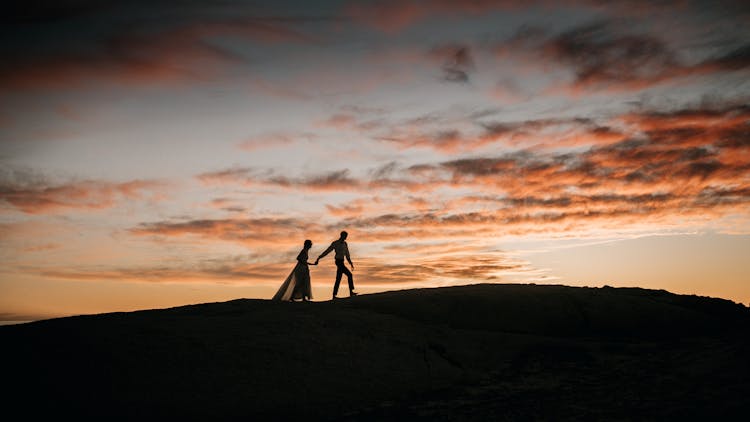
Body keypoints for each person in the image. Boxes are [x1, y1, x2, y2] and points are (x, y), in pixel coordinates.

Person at [315, 231, 356, 299]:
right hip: (338, 262)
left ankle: (334, 295)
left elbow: (347, 254)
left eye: (346, 236)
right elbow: (327, 251)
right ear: (342, 235)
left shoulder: (345, 244)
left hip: (342, 262)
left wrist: (350, 263)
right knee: (349, 275)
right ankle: (351, 292)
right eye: (345, 236)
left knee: (338, 278)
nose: (346, 237)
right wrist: (319, 257)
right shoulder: (335, 243)